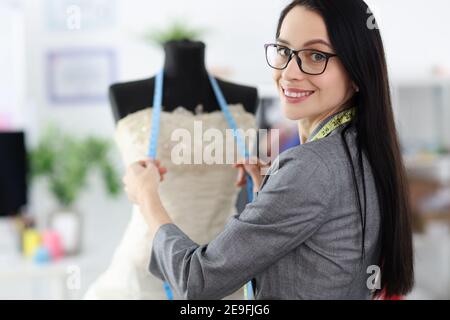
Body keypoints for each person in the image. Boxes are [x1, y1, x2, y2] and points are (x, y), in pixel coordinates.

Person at [122, 0, 414, 299]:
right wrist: (270, 191)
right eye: (284, 51)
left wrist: (147, 198)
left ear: (357, 71)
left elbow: (197, 280)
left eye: (315, 55)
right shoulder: (363, 148)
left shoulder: (310, 167)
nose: (289, 73)